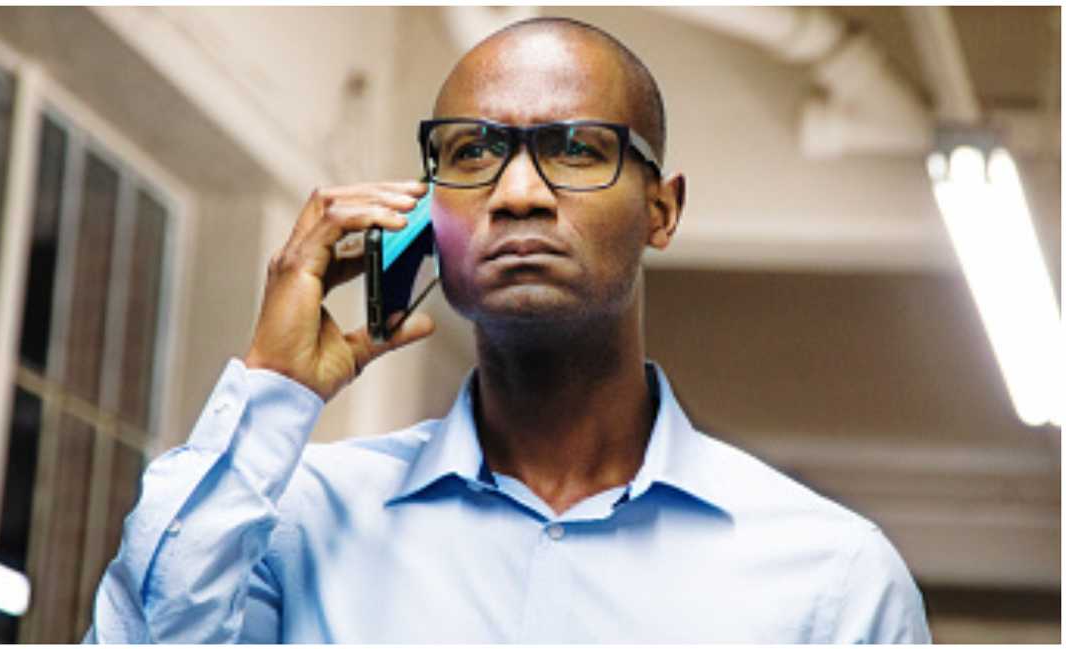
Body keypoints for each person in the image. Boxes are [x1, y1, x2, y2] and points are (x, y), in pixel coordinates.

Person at [85, 17, 930, 643]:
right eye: (470, 152)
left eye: (574, 149)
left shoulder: (831, 578)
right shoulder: (295, 522)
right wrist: (271, 387)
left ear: (661, 209)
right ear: (425, 210)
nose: (517, 192)